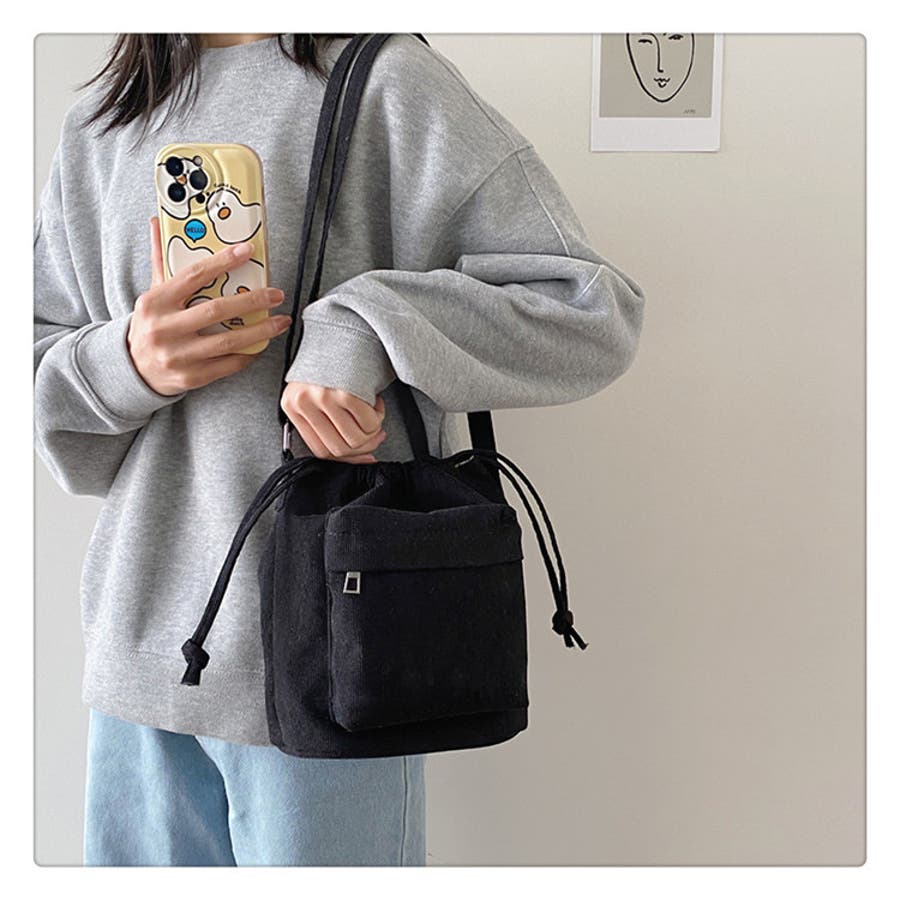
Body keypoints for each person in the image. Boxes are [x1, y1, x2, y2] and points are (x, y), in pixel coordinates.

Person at [33, 33, 646, 867]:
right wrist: (129, 362)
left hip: (332, 655)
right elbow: (37, 361)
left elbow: (592, 313)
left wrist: (364, 327)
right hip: (134, 664)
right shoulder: (104, 120)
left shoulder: (391, 81)